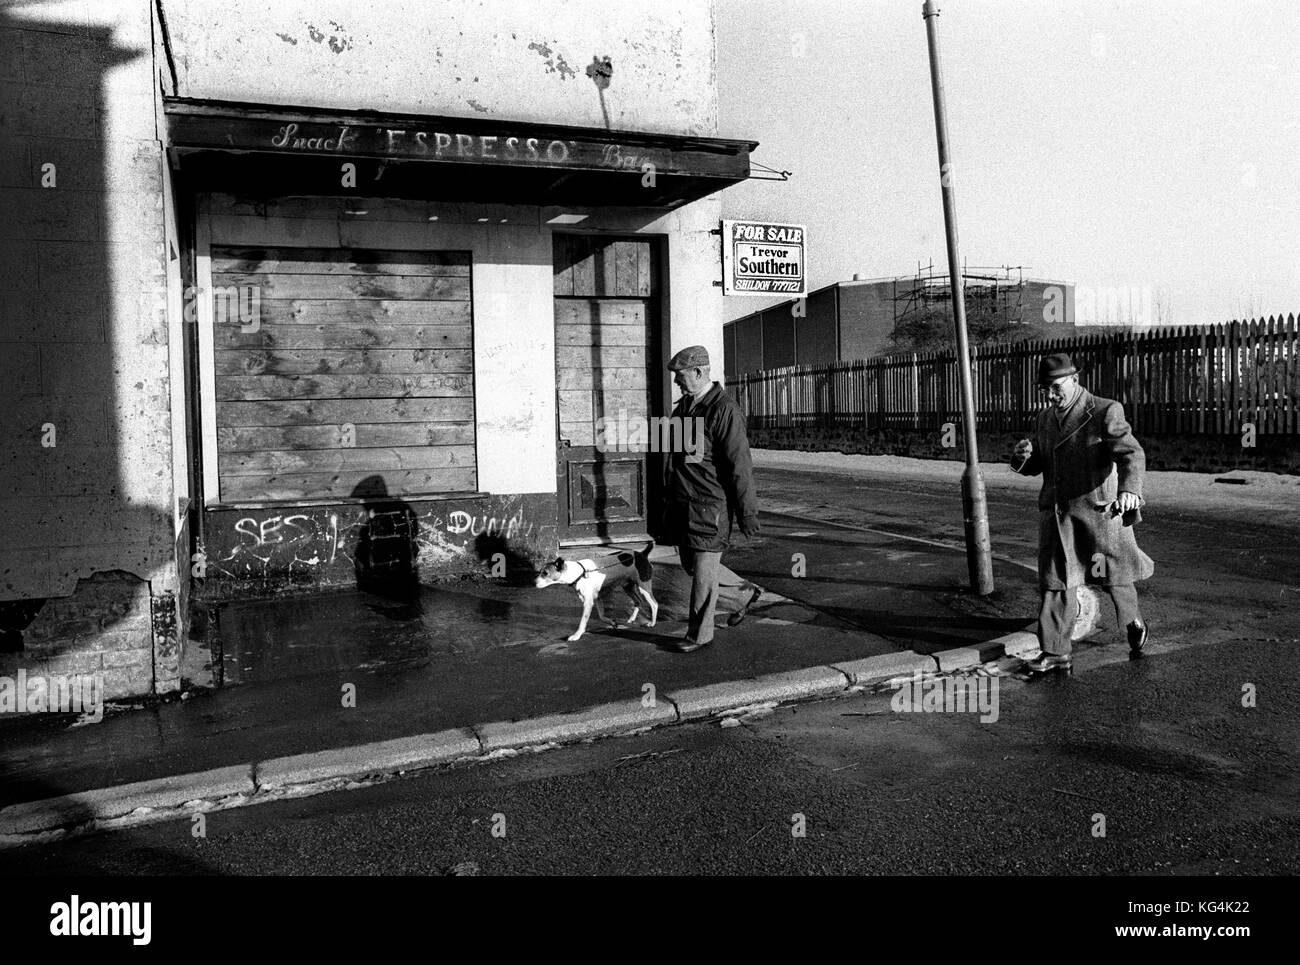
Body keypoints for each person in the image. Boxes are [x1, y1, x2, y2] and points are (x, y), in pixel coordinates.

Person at [1011, 352, 1154, 672]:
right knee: (1055, 584)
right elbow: (1040, 464)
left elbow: (1132, 453)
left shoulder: (1104, 410)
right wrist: (1023, 457)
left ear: (1075, 380)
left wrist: (1130, 490)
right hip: (1059, 516)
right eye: (1044, 389)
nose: (1050, 396)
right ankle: (1055, 653)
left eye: (1055, 387)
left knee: (1114, 579)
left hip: (1097, 515)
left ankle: (1133, 620)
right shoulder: (1045, 419)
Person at [659, 345, 762, 653]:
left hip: (711, 506)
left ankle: (699, 636)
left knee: (703, 574)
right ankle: (744, 596)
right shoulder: (684, 409)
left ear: (699, 372)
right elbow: (674, 459)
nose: (677, 382)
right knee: (693, 566)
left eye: (680, 376)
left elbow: (739, 465)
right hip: (684, 505)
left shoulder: (724, 410)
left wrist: (747, 513)